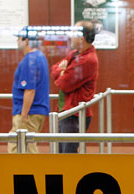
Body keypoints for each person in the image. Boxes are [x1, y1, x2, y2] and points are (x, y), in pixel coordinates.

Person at [51, 21, 99, 153]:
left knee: (68, 155)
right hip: (67, 113)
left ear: (81, 38)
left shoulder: (87, 60)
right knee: (62, 152)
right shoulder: (75, 54)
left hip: (74, 115)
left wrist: (61, 72)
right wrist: (60, 72)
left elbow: (63, 84)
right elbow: (54, 69)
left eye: (73, 33)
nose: (70, 36)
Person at [9, 26, 50, 153]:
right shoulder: (40, 56)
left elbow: (29, 90)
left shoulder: (29, 60)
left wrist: (24, 115)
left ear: (26, 40)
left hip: (30, 112)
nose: (17, 42)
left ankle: (25, 172)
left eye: (19, 39)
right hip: (38, 110)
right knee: (28, 146)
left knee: (19, 147)